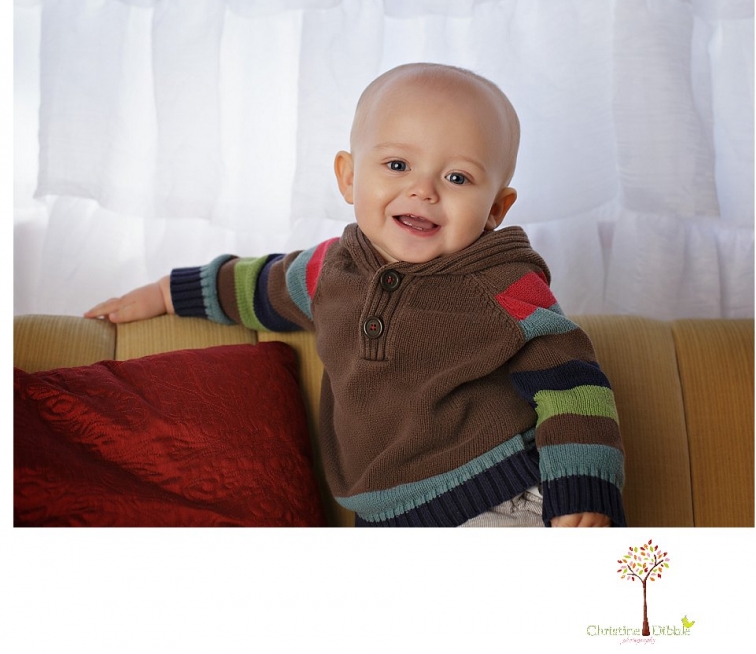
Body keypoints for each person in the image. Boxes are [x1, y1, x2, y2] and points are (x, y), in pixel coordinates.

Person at [86, 62, 626, 528]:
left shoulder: (501, 283)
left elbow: (573, 383)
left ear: (495, 209)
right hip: (383, 516)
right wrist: (167, 292)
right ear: (348, 177)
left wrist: (583, 485)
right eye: (397, 165)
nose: (424, 190)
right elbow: (257, 286)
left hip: (500, 498)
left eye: (458, 178)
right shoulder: (330, 271)